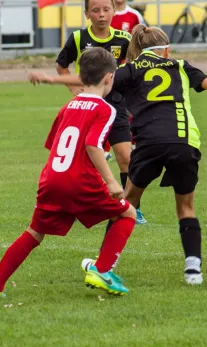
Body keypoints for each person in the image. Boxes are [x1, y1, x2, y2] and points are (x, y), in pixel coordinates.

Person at [29, 25, 207, 285]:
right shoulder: (180, 66)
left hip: (149, 144)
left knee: (126, 205)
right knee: (186, 207)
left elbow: (92, 80)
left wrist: (50, 79)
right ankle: (193, 271)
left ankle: (104, 263)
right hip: (184, 142)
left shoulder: (130, 69)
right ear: (166, 49)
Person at [0, 48, 137, 300]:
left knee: (34, 233)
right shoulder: (105, 109)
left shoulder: (68, 106)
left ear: (81, 77)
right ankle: (101, 270)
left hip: (52, 179)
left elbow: (55, 145)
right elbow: (91, 144)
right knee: (127, 213)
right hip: (80, 181)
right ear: (110, 78)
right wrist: (111, 181)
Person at [56, 0, 148, 225]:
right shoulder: (78, 38)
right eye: (95, 10)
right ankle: (74, 205)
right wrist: (73, 88)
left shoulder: (124, 39)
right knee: (81, 160)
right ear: (87, 14)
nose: (101, 15)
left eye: (106, 9)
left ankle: (132, 208)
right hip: (88, 106)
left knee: (125, 157)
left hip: (116, 105)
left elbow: (135, 66)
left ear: (113, 11)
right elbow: (61, 65)